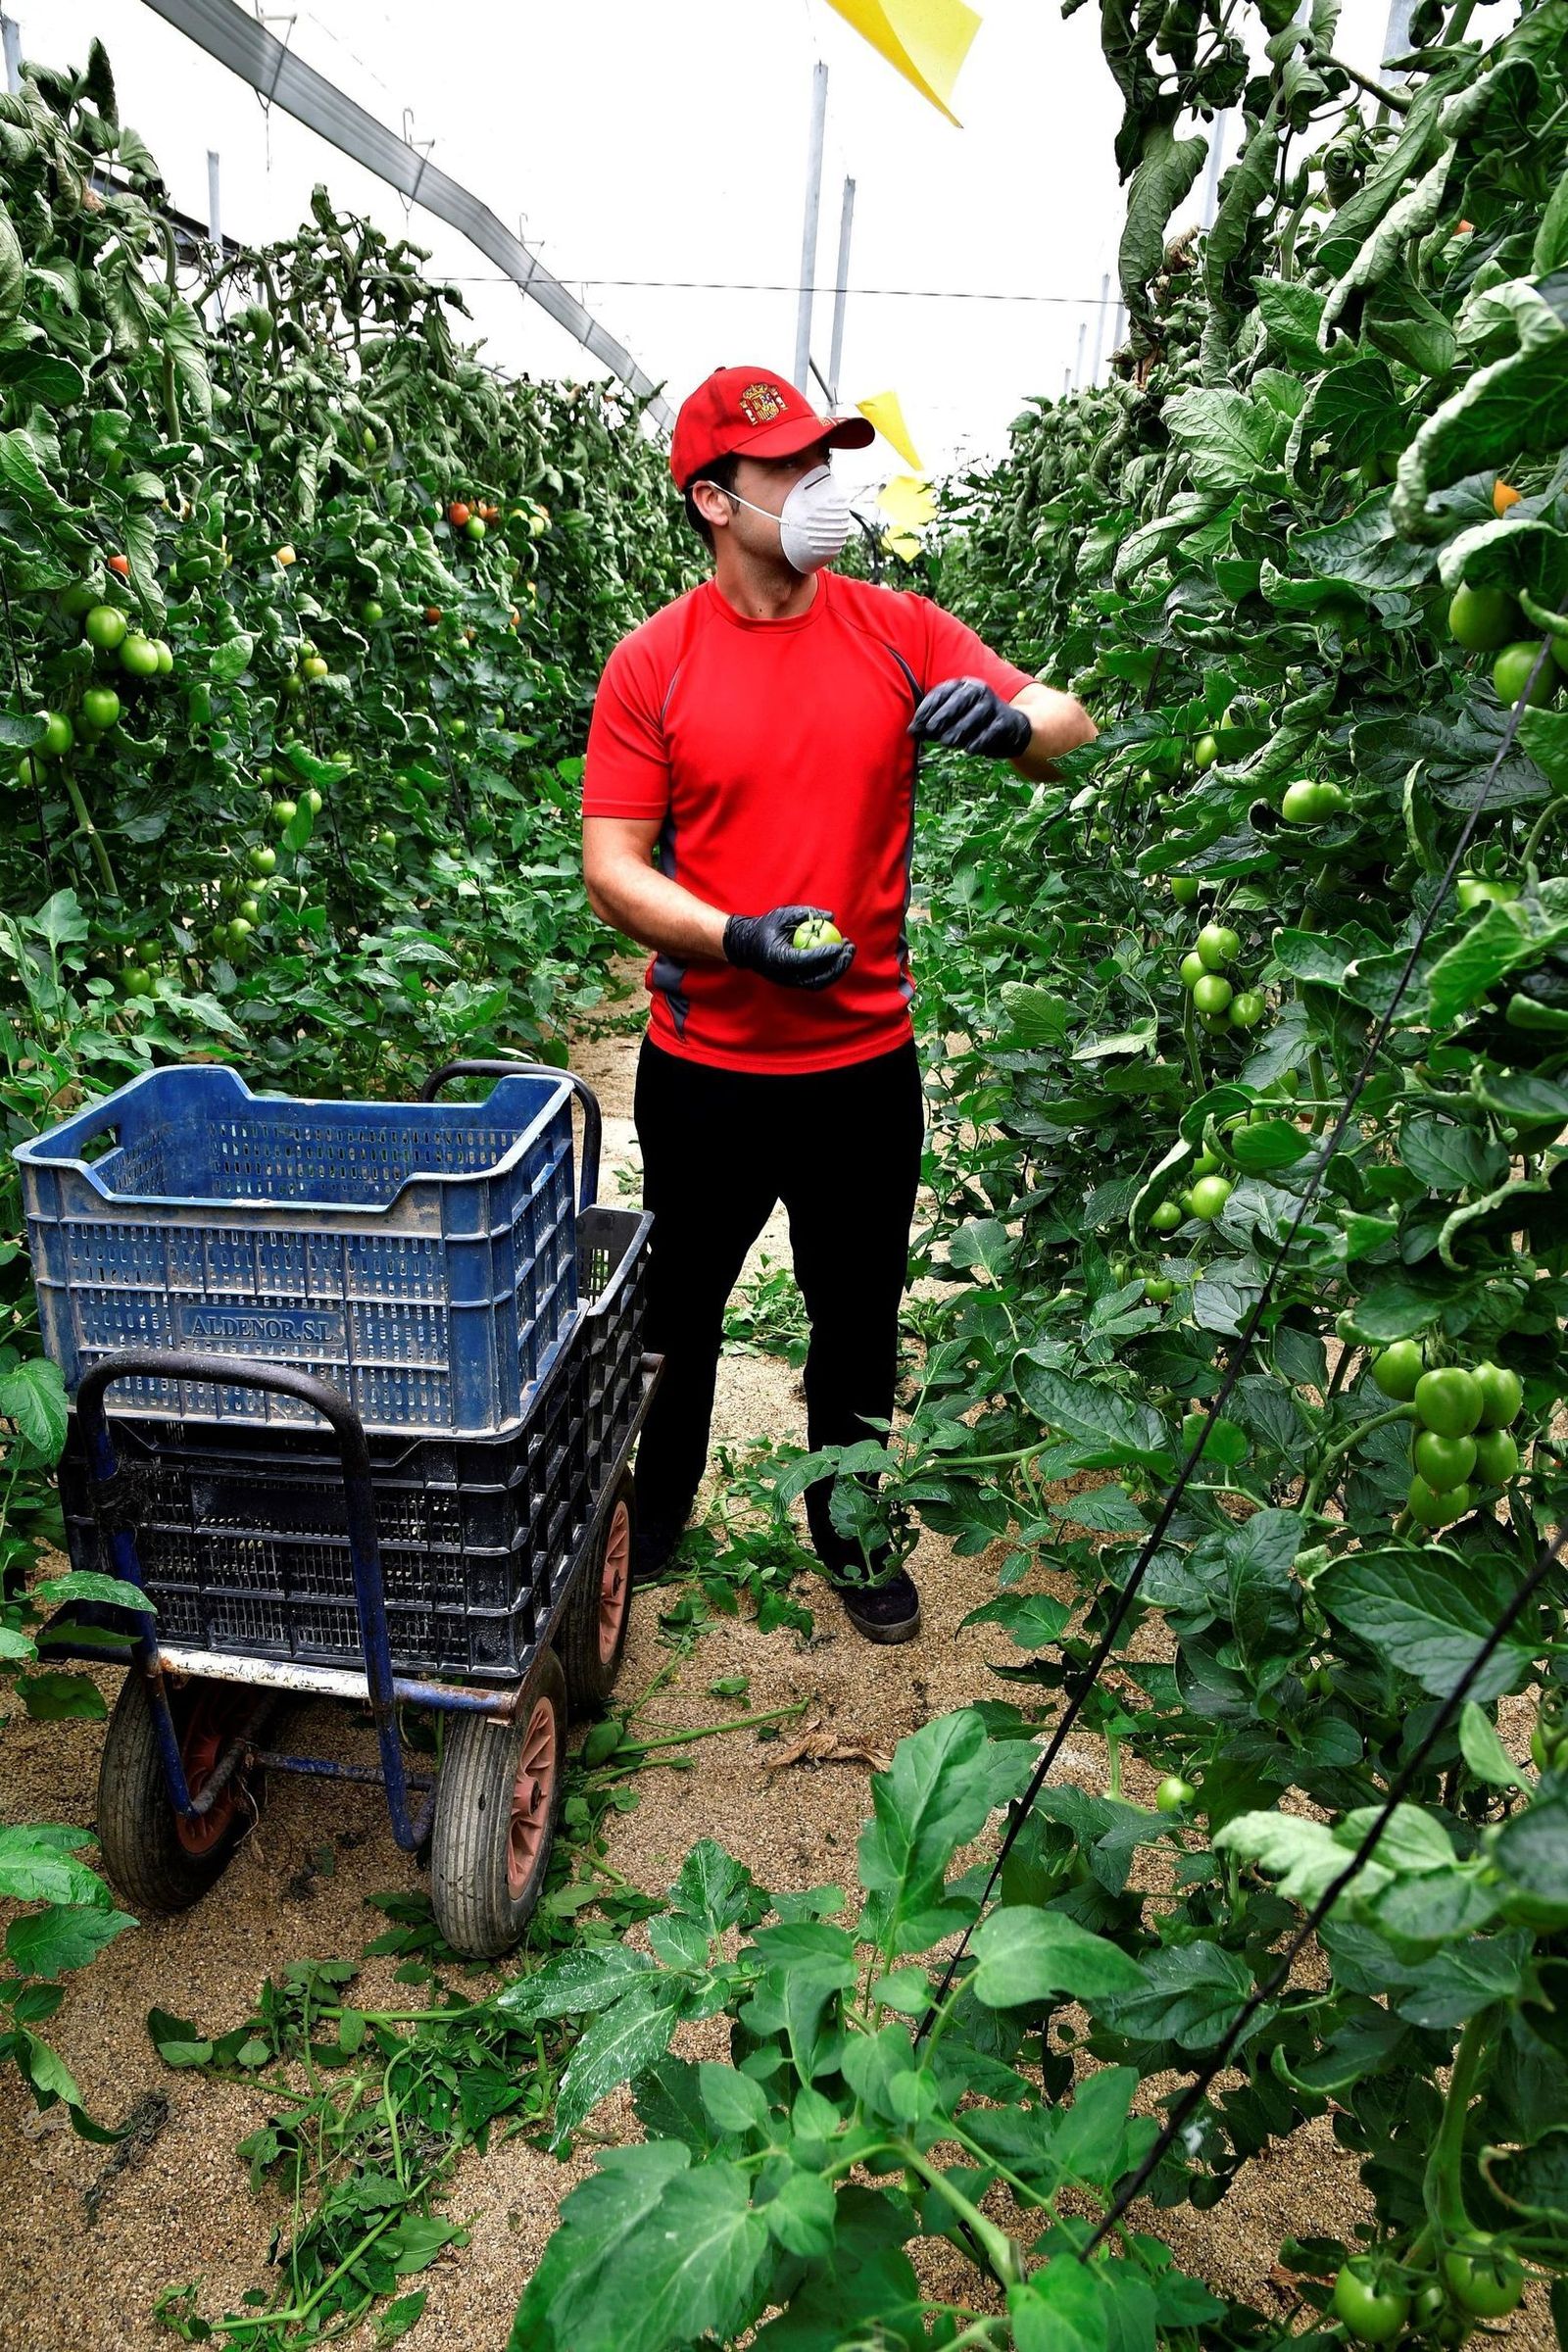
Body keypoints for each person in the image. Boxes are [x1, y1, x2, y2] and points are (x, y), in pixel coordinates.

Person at [580, 364, 1096, 1643]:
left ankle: (853, 1529)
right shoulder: (655, 664)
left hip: (863, 1064)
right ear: (712, 497)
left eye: (825, 466)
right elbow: (614, 866)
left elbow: (1068, 719)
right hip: (705, 1067)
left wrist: (1011, 720)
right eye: (790, 470)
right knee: (678, 1310)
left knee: (857, 1315)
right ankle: (661, 1503)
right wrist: (736, 937)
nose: (819, 489)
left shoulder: (897, 627)